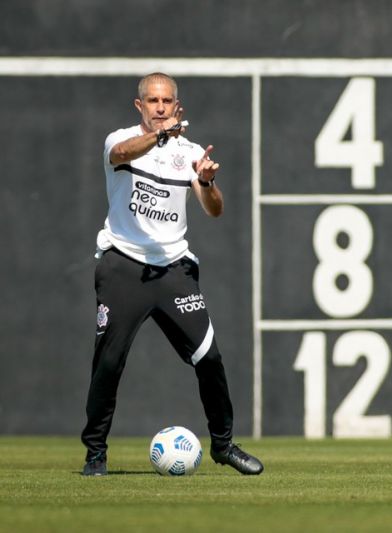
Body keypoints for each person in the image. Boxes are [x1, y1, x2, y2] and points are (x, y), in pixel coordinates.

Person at [80, 72, 263, 476]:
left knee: (209, 358)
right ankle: (95, 453)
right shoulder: (120, 139)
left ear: (177, 106)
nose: (160, 108)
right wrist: (161, 136)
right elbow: (122, 154)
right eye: (152, 101)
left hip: (173, 269)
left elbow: (214, 209)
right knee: (109, 363)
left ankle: (223, 445)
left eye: (166, 102)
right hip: (123, 264)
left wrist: (207, 182)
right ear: (139, 105)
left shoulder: (191, 152)